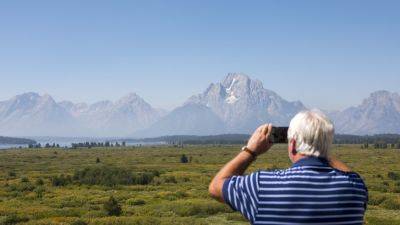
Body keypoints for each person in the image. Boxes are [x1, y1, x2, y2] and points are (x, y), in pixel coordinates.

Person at [209, 110, 368, 225]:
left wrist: (251, 150)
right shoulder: (356, 187)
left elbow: (215, 187)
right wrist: (321, 149)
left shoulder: (261, 185)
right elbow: (350, 174)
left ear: (292, 144)